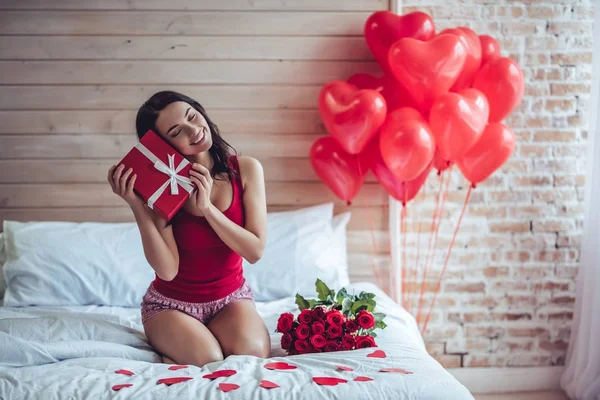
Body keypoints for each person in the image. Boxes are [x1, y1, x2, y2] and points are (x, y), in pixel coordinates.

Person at [107, 90, 270, 367]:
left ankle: (191, 345)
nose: (194, 130)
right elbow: (167, 270)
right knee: (209, 359)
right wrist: (137, 205)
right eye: (177, 131)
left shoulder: (247, 170)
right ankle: (177, 346)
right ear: (163, 146)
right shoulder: (160, 190)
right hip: (171, 306)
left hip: (230, 299)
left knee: (251, 356)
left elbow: (254, 251)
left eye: (193, 117)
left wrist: (207, 208)